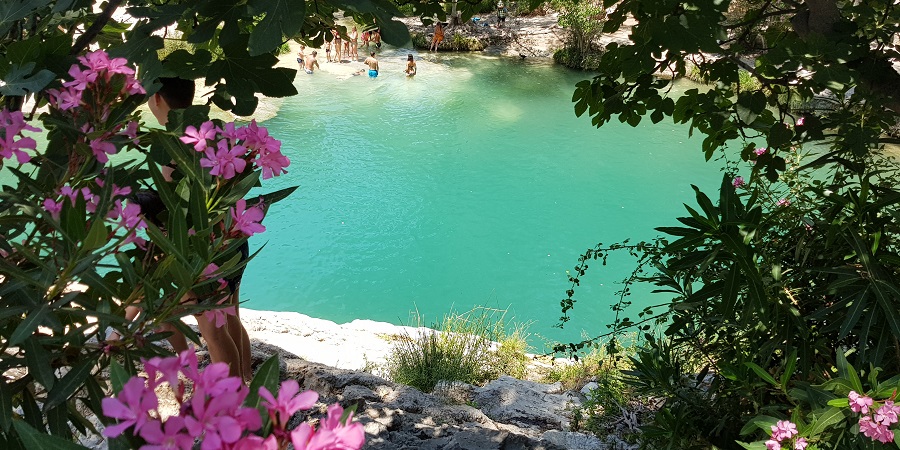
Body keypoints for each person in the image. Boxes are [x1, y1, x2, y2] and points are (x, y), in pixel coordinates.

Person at [140, 77, 253, 382]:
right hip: (232, 239)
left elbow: (170, 212)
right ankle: (246, 381)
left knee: (212, 332)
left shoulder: (173, 147)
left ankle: (232, 399)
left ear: (157, 98)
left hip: (203, 252)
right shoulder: (213, 134)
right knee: (231, 318)